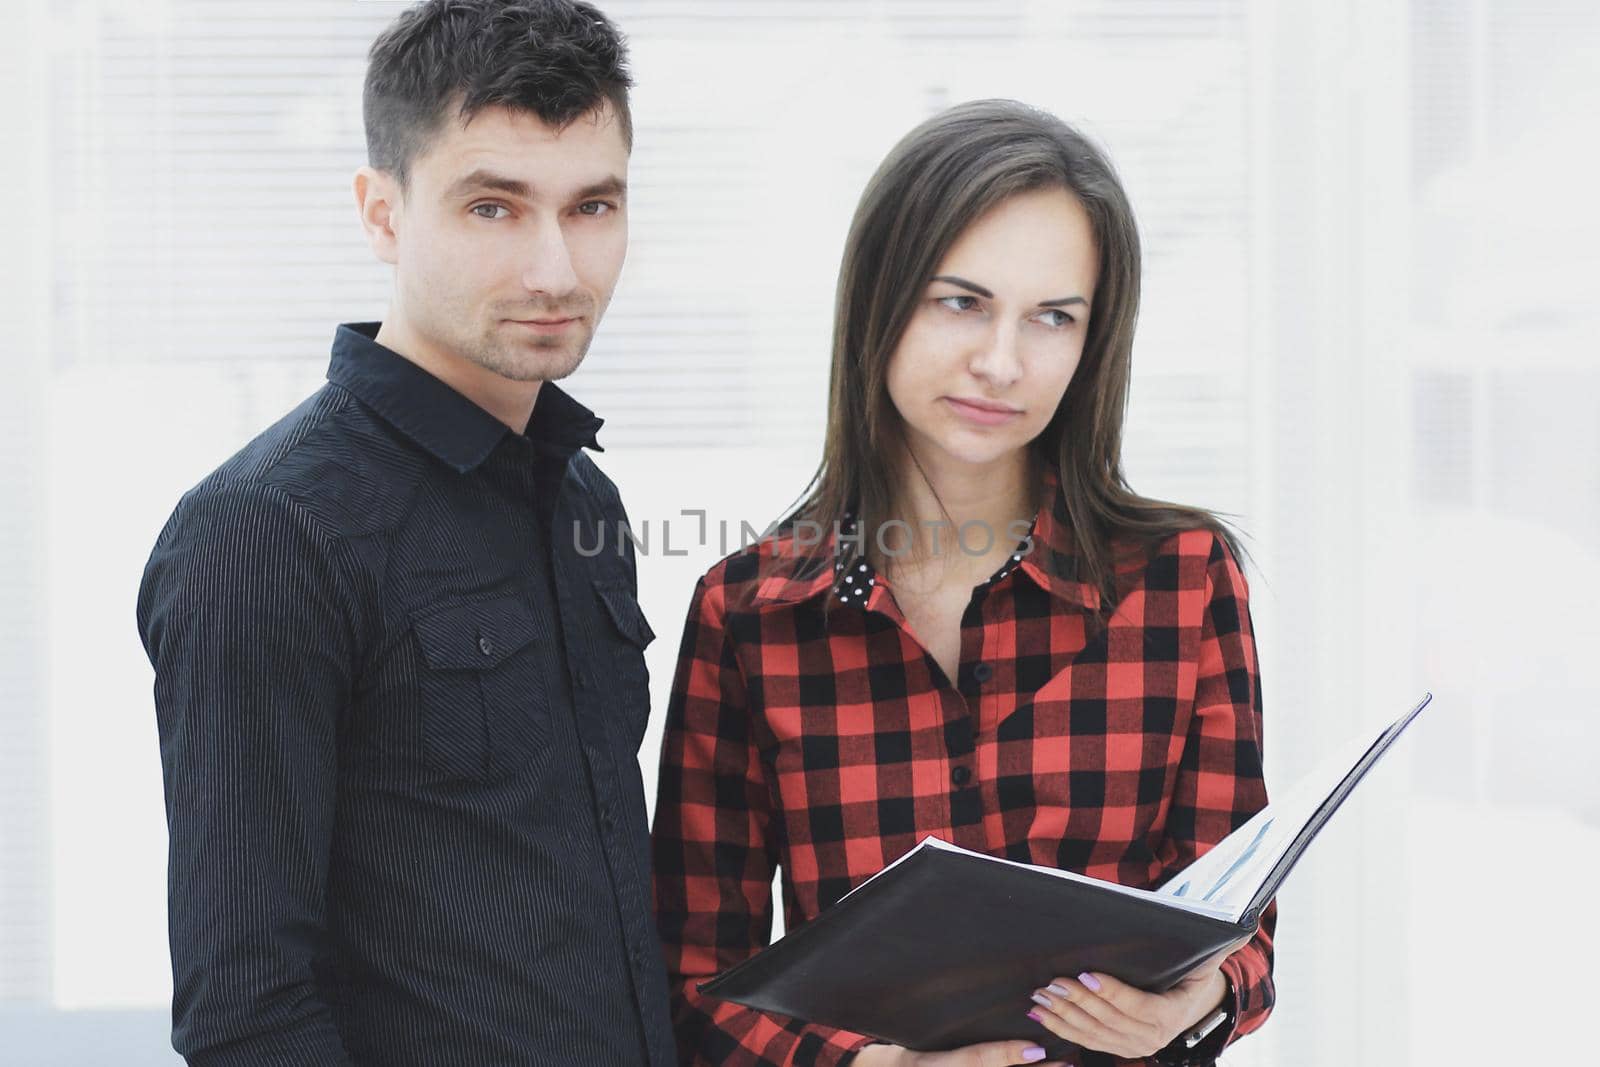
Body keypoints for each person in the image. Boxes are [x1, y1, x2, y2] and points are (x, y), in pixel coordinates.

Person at [650, 99, 1275, 1067]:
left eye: (1052, 318)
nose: (1000, 361)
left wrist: (1196, 1000)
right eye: (960, 301)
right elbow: (692, 981)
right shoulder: (749, 615)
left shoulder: (1185, 583)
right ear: (880, 299)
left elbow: (1245, 938)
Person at [135, 2, 674, 1063]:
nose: (557, 270)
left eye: (593, 205)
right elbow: (248, 1012)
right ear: (381, 214)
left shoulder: (583, 504)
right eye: (492, 208)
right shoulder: (264, 531)